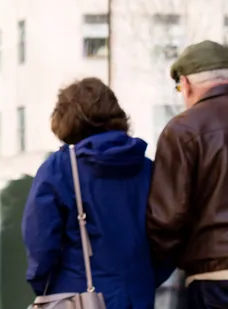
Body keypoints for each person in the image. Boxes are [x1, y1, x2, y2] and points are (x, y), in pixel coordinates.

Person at [23, 77, 171, 308]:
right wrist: (146, 278)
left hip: (78, 295)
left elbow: (41, 242)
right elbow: (169, 234)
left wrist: (45, 285)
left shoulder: (60, 168)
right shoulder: (148, 169)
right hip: (138, 295)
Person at [147, 41, 228, 308]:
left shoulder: (183, 130)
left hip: (213, 281)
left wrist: (150, 268)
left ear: (186, 83)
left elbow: (168, 219)